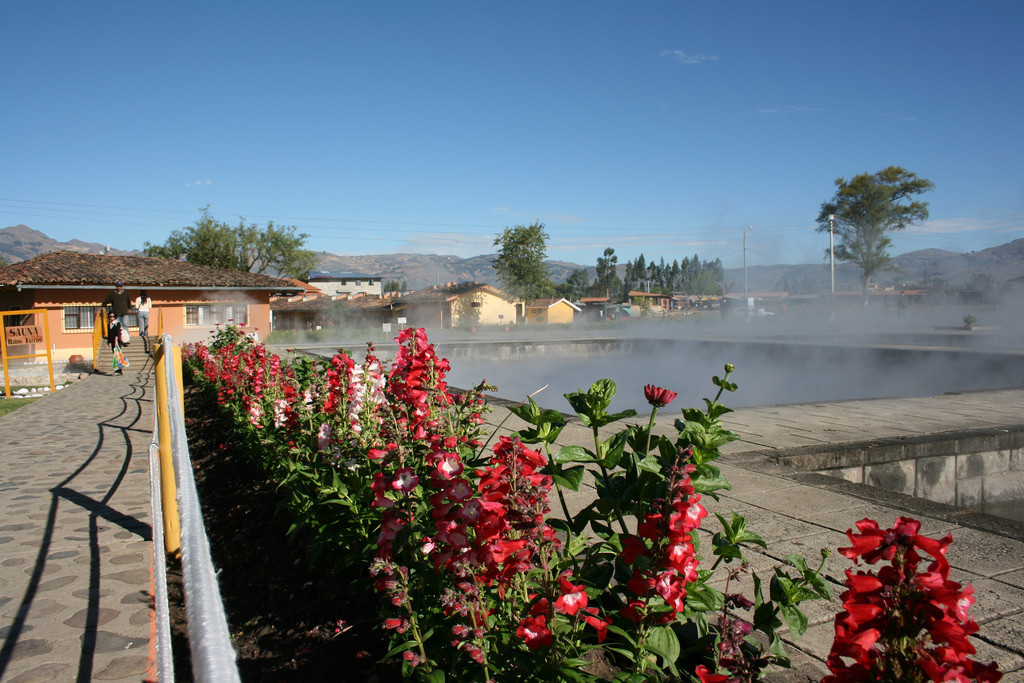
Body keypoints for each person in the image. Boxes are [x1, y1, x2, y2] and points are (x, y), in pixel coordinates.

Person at [107, 311, 127, 375]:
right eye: (109, 316)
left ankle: (119, 370)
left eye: (112, 316)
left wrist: (116, 341)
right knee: (115, 356)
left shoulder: (117, 323)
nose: (111, 318)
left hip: (117, 342)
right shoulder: (109, 324)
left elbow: (117, 333)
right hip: (112, 341)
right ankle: (118, 370)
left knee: (117, 356)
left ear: (115, 317)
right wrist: (108, 343)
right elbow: (109, 335)